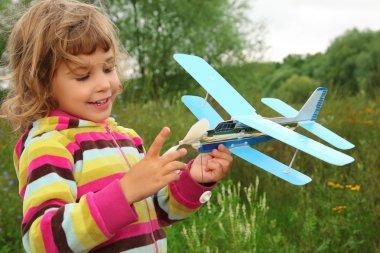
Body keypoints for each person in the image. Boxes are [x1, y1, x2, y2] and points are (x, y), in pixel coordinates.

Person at [0, 0, 233, 252]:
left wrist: (192, 181)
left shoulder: (127, 138)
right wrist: (124, 192)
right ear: (41, 83)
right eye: (83, 75)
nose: (104, 84)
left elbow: (154, 214)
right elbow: (41, 241)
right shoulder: (49, 146)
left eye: (108, 67)